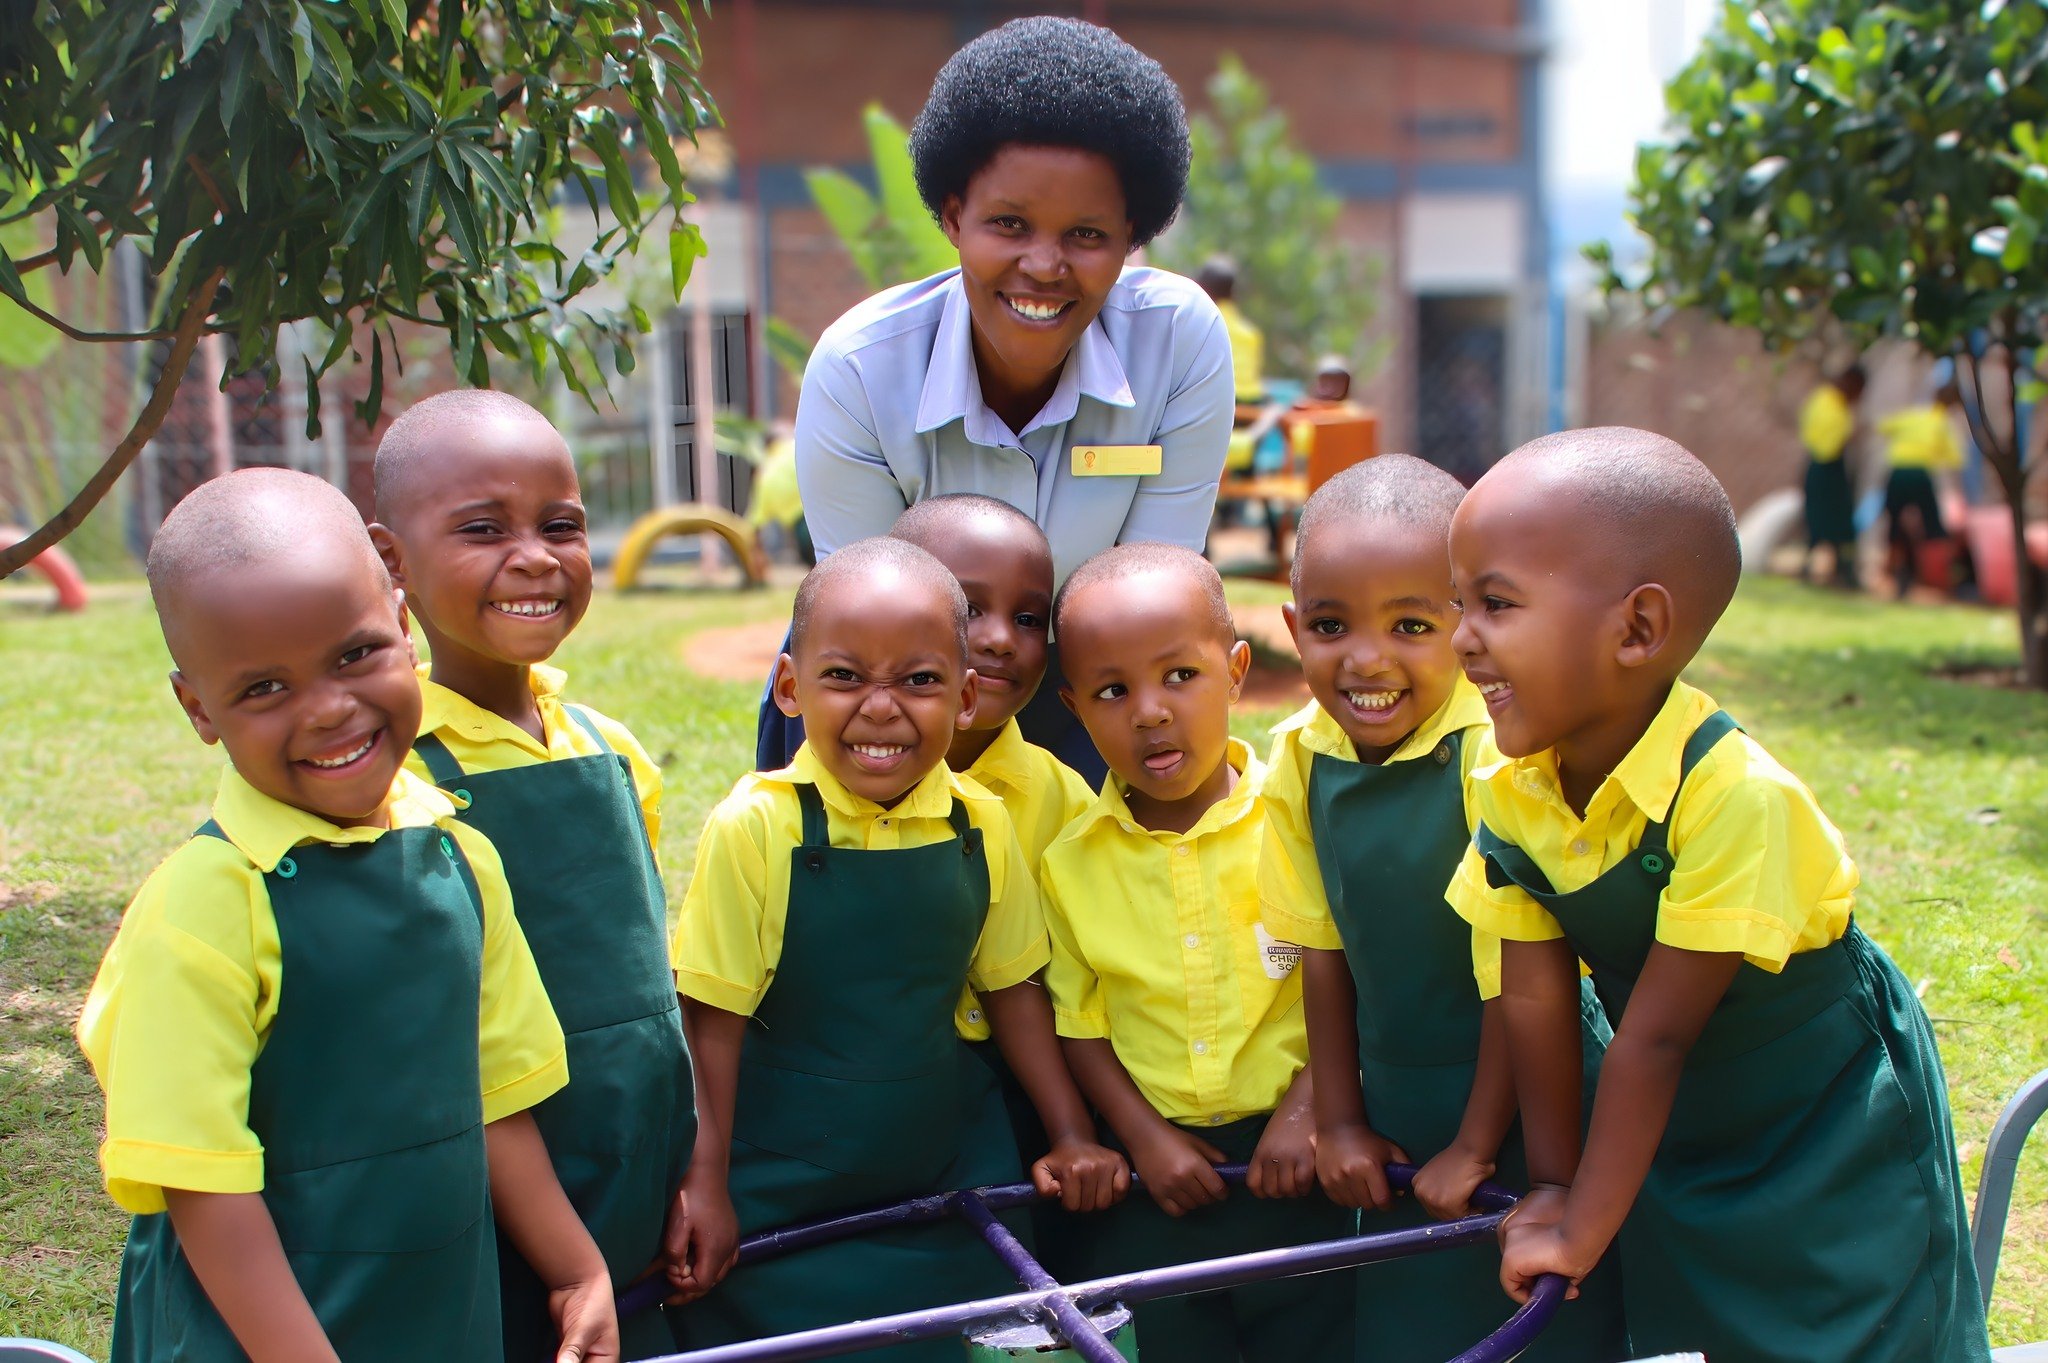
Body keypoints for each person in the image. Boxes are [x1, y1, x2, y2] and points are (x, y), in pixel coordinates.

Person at [1446, 428, 1992, 1363]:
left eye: (1495, 603)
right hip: (1681, 1100)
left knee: (1850, 1319)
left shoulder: (1736, 796)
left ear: (1638, 629)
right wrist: (1556, 1183)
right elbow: (1536, 997)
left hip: (1816, 1104)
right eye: (1459, 602)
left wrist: (1579, 1229)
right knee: (1709, 1318)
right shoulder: (1513, 782)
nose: (1462, 637)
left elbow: (1654, 1039)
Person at [77, 468, 617, 1363]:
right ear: (198, 708)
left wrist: (575, 1270)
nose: (329, 709)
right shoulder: (203, 906)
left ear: (403, 628)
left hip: (436, 1312)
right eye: (264, 688)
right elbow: (202, 1187)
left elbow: (494, 1097)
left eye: (355, 654)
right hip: (256, 1334)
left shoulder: (459, 858)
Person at [670, 538, 1127, 1360]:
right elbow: (711, 1023)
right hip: (787, 1179)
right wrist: (704, 1184)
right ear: (789, 687)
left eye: (918, 680)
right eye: (845, 676)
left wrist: (1069, 1131)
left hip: (946, 1166)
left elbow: (1014, 990)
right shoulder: (756, 826)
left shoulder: (980, 822)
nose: (881, 708)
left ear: (965, 697)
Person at [767, 16, 1234, 779]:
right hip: (895, 687)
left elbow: (1153, 613)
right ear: (954, 217)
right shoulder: (859, 369)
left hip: (1096, 680)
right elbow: (863, 622)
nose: (1044, 265)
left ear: (1130, 237)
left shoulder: (1179, 343)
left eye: (1087, 235)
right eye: (1009, 224)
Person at [368, 391, 715, 1360]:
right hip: (484, 1185)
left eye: (560, 525)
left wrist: (688, 1163)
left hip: (633, 1166)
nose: (533, 557)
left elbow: (650, 982)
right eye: (483, 530)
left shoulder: (611, 749)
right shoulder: (393, 780)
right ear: (392, 560)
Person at [1257, 458, 1625, 1363]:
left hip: (1528, 1085)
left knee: (1538, 1320)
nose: (1367, 660)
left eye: (1412, 625)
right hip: (1399, 1098)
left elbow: (1520, 979)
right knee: (1411, 1321)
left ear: (1466, 627)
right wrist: (1341, 1117)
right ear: (1292, 627)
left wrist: (1474, 1142)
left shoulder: (1491, 757)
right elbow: (1321, 948)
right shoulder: (1300, 755)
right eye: (1331, 626)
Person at [1042, 543, 1353, 1363]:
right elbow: (1081, 1023)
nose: (1150, 712)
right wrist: (1142, 1136)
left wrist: (1308, 1108)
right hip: (1159, 1177)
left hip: (1306, 1159)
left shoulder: (1300, 817)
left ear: (1236, 670)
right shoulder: (1069, 863)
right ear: (1074, 707)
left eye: (1180, 675)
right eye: (1113, 691)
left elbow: (1353, 975)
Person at [890, 493, 1097, 1263]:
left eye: (1029, 617)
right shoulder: (810, 800)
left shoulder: (1066, 799)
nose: (1001, 638)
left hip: (1030, 1108)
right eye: (968, 607)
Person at [1880, 380, 1967, 598]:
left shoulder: (1914, 414)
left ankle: (1892, 573)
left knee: (1894, 523)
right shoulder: (1941, 422)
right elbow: (1956, 459)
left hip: (1897, 472)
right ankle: (1942, 578)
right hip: (1920, 474)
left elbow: (1884, 426)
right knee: (1933, 525)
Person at [1798, 363, 1865, 588]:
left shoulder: (1822, 398)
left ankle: (1830, 567)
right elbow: (1832, 443)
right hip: (1828, 466)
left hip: (1819, 464)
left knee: (1821, 516)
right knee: (1835, 517)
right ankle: (1841, 570)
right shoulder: (1832, 404)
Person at [1196, 255, 1268, 410]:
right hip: (1251, 400)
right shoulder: (1251, 333)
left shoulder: (1201, 321)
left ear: (1200, 286)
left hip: (1217, 398)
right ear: (1233, 292)